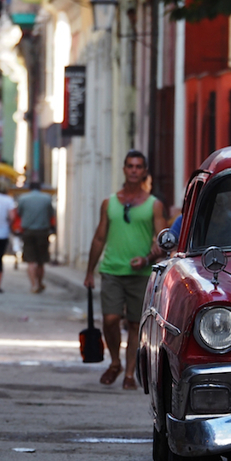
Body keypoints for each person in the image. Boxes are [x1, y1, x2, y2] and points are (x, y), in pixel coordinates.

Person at [84, 150, 168, 390]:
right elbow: (100, 238)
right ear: (124, 169)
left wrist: (146, 258)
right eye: (130, 165)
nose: (133, 170)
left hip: (141, 274)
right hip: (112, 269)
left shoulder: (154, 205)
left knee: (134, 325)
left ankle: (129, 373)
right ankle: (114, 362)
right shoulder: (109, 203)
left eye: (138, 166)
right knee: (110, 320)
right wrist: (90, 271)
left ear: (144, 172)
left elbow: (161, 240)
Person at [15, 182, 55, 293]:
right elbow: (51, 213)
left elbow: (19, 213)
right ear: (40, 188)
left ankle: (33, 285)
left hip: (28, 231)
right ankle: (40, 282)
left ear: (29, 188)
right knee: (41, 261)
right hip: (42, 231)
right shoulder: (47, 199)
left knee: (31, 261)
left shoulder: (23, 199)